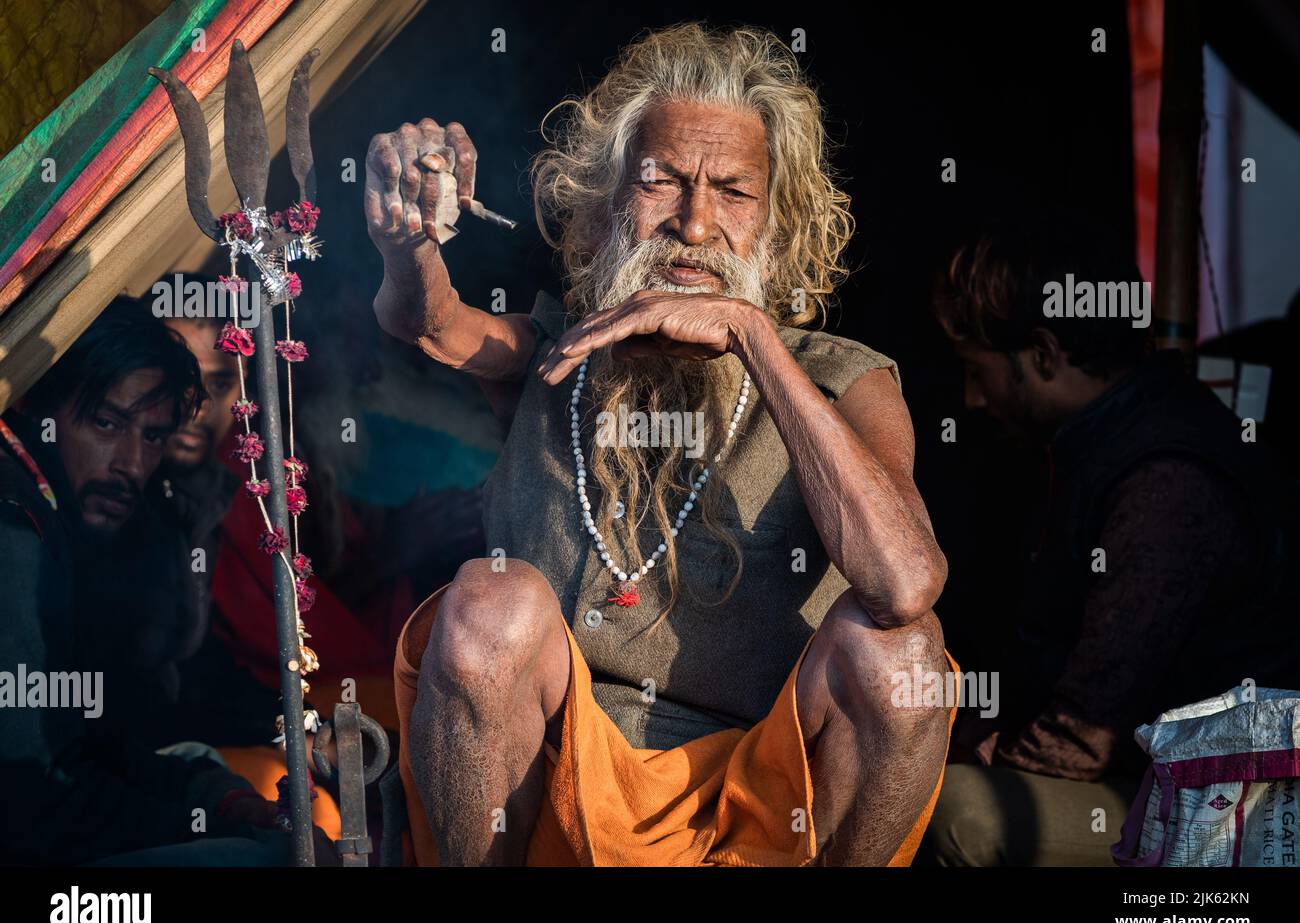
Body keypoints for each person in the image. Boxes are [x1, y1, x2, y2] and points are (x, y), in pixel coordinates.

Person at [370, 23, 957, 866]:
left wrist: (752, 336)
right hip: (557, 791)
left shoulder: (841, 379)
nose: (694, 222)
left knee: (905, 660)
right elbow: (424, 323)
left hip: (766, 811)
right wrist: (409, 239)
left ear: (779, 225)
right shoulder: (555, 353)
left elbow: (906, 584)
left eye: (734, 192)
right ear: (606, 205)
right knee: (491, 603)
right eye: (660, 181)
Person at [916, 217, 1300, 866]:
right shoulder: (1098, 445)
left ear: (1042, 354)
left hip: (1225, 802)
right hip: (1158, 775)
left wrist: (965, 752)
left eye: (976, 370)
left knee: (957, 814)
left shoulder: (1167, 481)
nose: (972, 398)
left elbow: (1077, 741)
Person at [0, 300, 299, 865]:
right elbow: (36, 807)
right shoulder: (16, 532)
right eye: (107, 424)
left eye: (154, 437)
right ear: (34, 403)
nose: (131, 464)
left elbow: (80, 742)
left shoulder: (53, 517)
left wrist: (210, 797)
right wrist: (207, 828)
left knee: (206, 769)